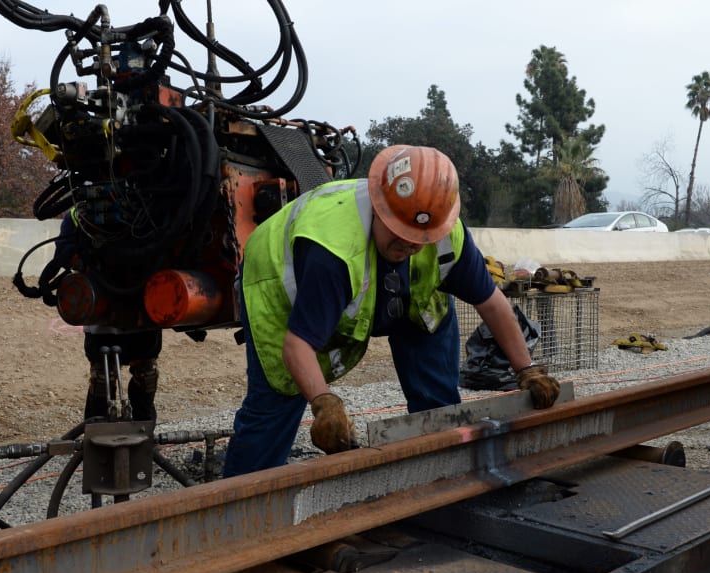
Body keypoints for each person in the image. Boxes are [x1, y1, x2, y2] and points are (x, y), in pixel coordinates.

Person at [222, 145, 561, 477]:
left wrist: (526, 369)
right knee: (277, 402)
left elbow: (491, 303)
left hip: (397, 294)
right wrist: (323, 402)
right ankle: (239, 505)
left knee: (438, 401)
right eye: (399, 233)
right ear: (378, 208)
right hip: (278, 286)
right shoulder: (332, 253)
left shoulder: (447, 235)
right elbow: (297, 345)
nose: (410, 244)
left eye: (420, 238)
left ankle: (437, 475)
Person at [53, 211, 162, 424]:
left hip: (141, 309)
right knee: (103, 378)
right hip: (102, 313)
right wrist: (84, 261)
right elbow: (64, 251)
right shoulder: (78, 214)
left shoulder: (146, 204)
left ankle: (143, 435)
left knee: (146, 375)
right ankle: (97, 440)